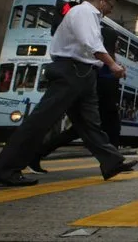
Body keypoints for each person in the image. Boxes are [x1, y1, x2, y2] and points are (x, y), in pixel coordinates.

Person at [0, 0, 138, 187]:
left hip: (84, 74)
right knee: (41, 120)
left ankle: (111, 162)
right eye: (111, 6)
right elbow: (92, 45)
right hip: (71, 72)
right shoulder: (84, 12)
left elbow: (92, 48)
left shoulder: (92, 17)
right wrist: (112, 65)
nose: (110, 11)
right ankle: (5, 169)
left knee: (90, 124)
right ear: (102, 0)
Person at [27, 25, 124, 174]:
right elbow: (100, 80)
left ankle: (113, 162)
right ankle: (35, 154)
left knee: (88, 130)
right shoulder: (100, 57)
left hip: (101, 103)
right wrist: (115, 73)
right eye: (117, 41)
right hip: (97, 102)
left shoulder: (110, 57)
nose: (118, 45)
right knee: (93, 130)